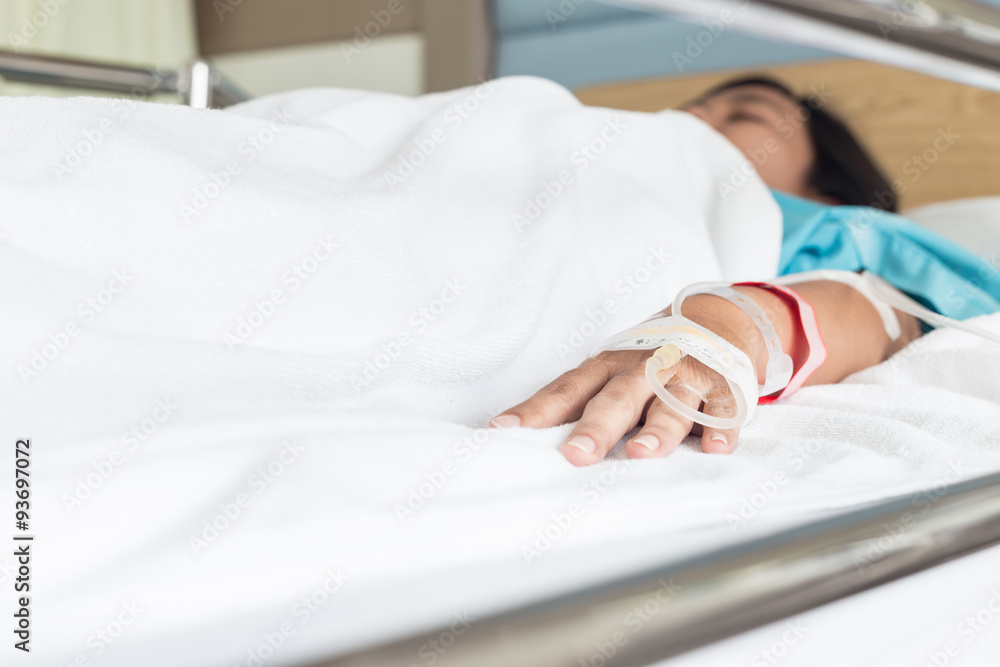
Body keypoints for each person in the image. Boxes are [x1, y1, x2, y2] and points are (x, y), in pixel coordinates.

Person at [488, 75, 1000, 467]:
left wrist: (727, 326)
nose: (692, 120)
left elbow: (881, 313)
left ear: (827, 196)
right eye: (690, 110)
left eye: (745, 114)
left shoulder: (837, 231)